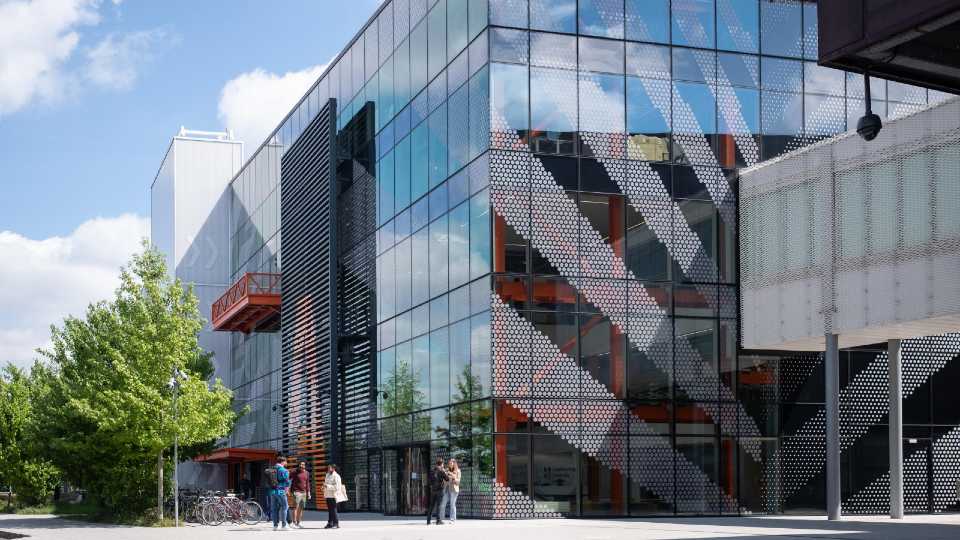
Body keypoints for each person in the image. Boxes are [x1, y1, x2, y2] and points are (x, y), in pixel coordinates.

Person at [267, 455, 291, 531]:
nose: (286, 463)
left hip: (272, 491)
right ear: (283, 462)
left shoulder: (272, 468)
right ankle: (284, 525)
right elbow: (287, 482)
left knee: (274, 509)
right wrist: (287, 491)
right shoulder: (283, 470)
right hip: (281, 491)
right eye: (286, 461)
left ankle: (275, 526)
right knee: (285, 507)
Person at [323, 464, 347, 529]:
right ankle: (330, 523)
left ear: (333, 469)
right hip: (328, 495)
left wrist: (327, 486)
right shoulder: (327, 475)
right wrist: (324, 487)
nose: (328, 469)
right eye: (328, 467)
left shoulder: (336, 476)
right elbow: (326, 484)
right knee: (330, 510)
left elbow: (337, 487)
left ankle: (336, 523)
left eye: (329, 468)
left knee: (333, 509)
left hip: (333, 495)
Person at [427, 458, 449, 525]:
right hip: (440, 490)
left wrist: (432, 485)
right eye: (443, 464)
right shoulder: (441, 471)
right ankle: (438, 520)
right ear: (442, 464)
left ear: (436, 463)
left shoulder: (432, 471)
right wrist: (445, 472)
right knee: (438, 505)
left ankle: (428, 520)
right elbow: (447, 479)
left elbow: (429, 481)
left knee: (431, 505)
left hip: (433, 490)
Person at [439, 458, 461, 523]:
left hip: (454, 490)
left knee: (452, 504)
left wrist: (452, 477)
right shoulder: (447, 470)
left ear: (454, 464)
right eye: (449, 463)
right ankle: (441, 519)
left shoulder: (458, 471)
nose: (450, 464)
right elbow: (444, 479)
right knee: (443, 504)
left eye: (451, 463)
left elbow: (458, 481)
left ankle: (453, 519)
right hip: (447, 489)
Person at [290, 461, 311, 528]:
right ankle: (294, 523)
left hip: (304, 492)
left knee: (301, 508)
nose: (302, 465)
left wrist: (308, 492)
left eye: (303, 464)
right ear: (298, 465)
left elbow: (307, 483)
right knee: (295, 507)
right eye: (301, 464)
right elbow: (288, 479)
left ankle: (298, 522)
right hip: (296, 492)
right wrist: (289, 489)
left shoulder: (307, 473)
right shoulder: (295, 472)